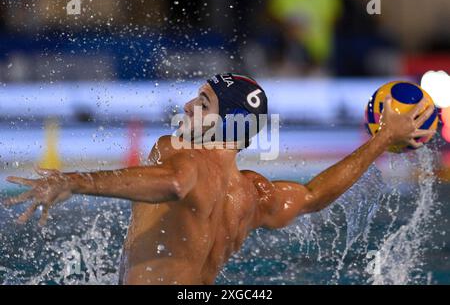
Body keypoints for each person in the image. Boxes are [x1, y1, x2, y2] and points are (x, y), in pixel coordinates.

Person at [3, 73, 435, 284]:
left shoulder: (176, 152)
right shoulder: (255, 193)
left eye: (204, 102)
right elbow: (314, 194)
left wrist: (75, 181)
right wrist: (383, 141)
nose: (189, 106)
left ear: (225, 123)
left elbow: (174, 183)